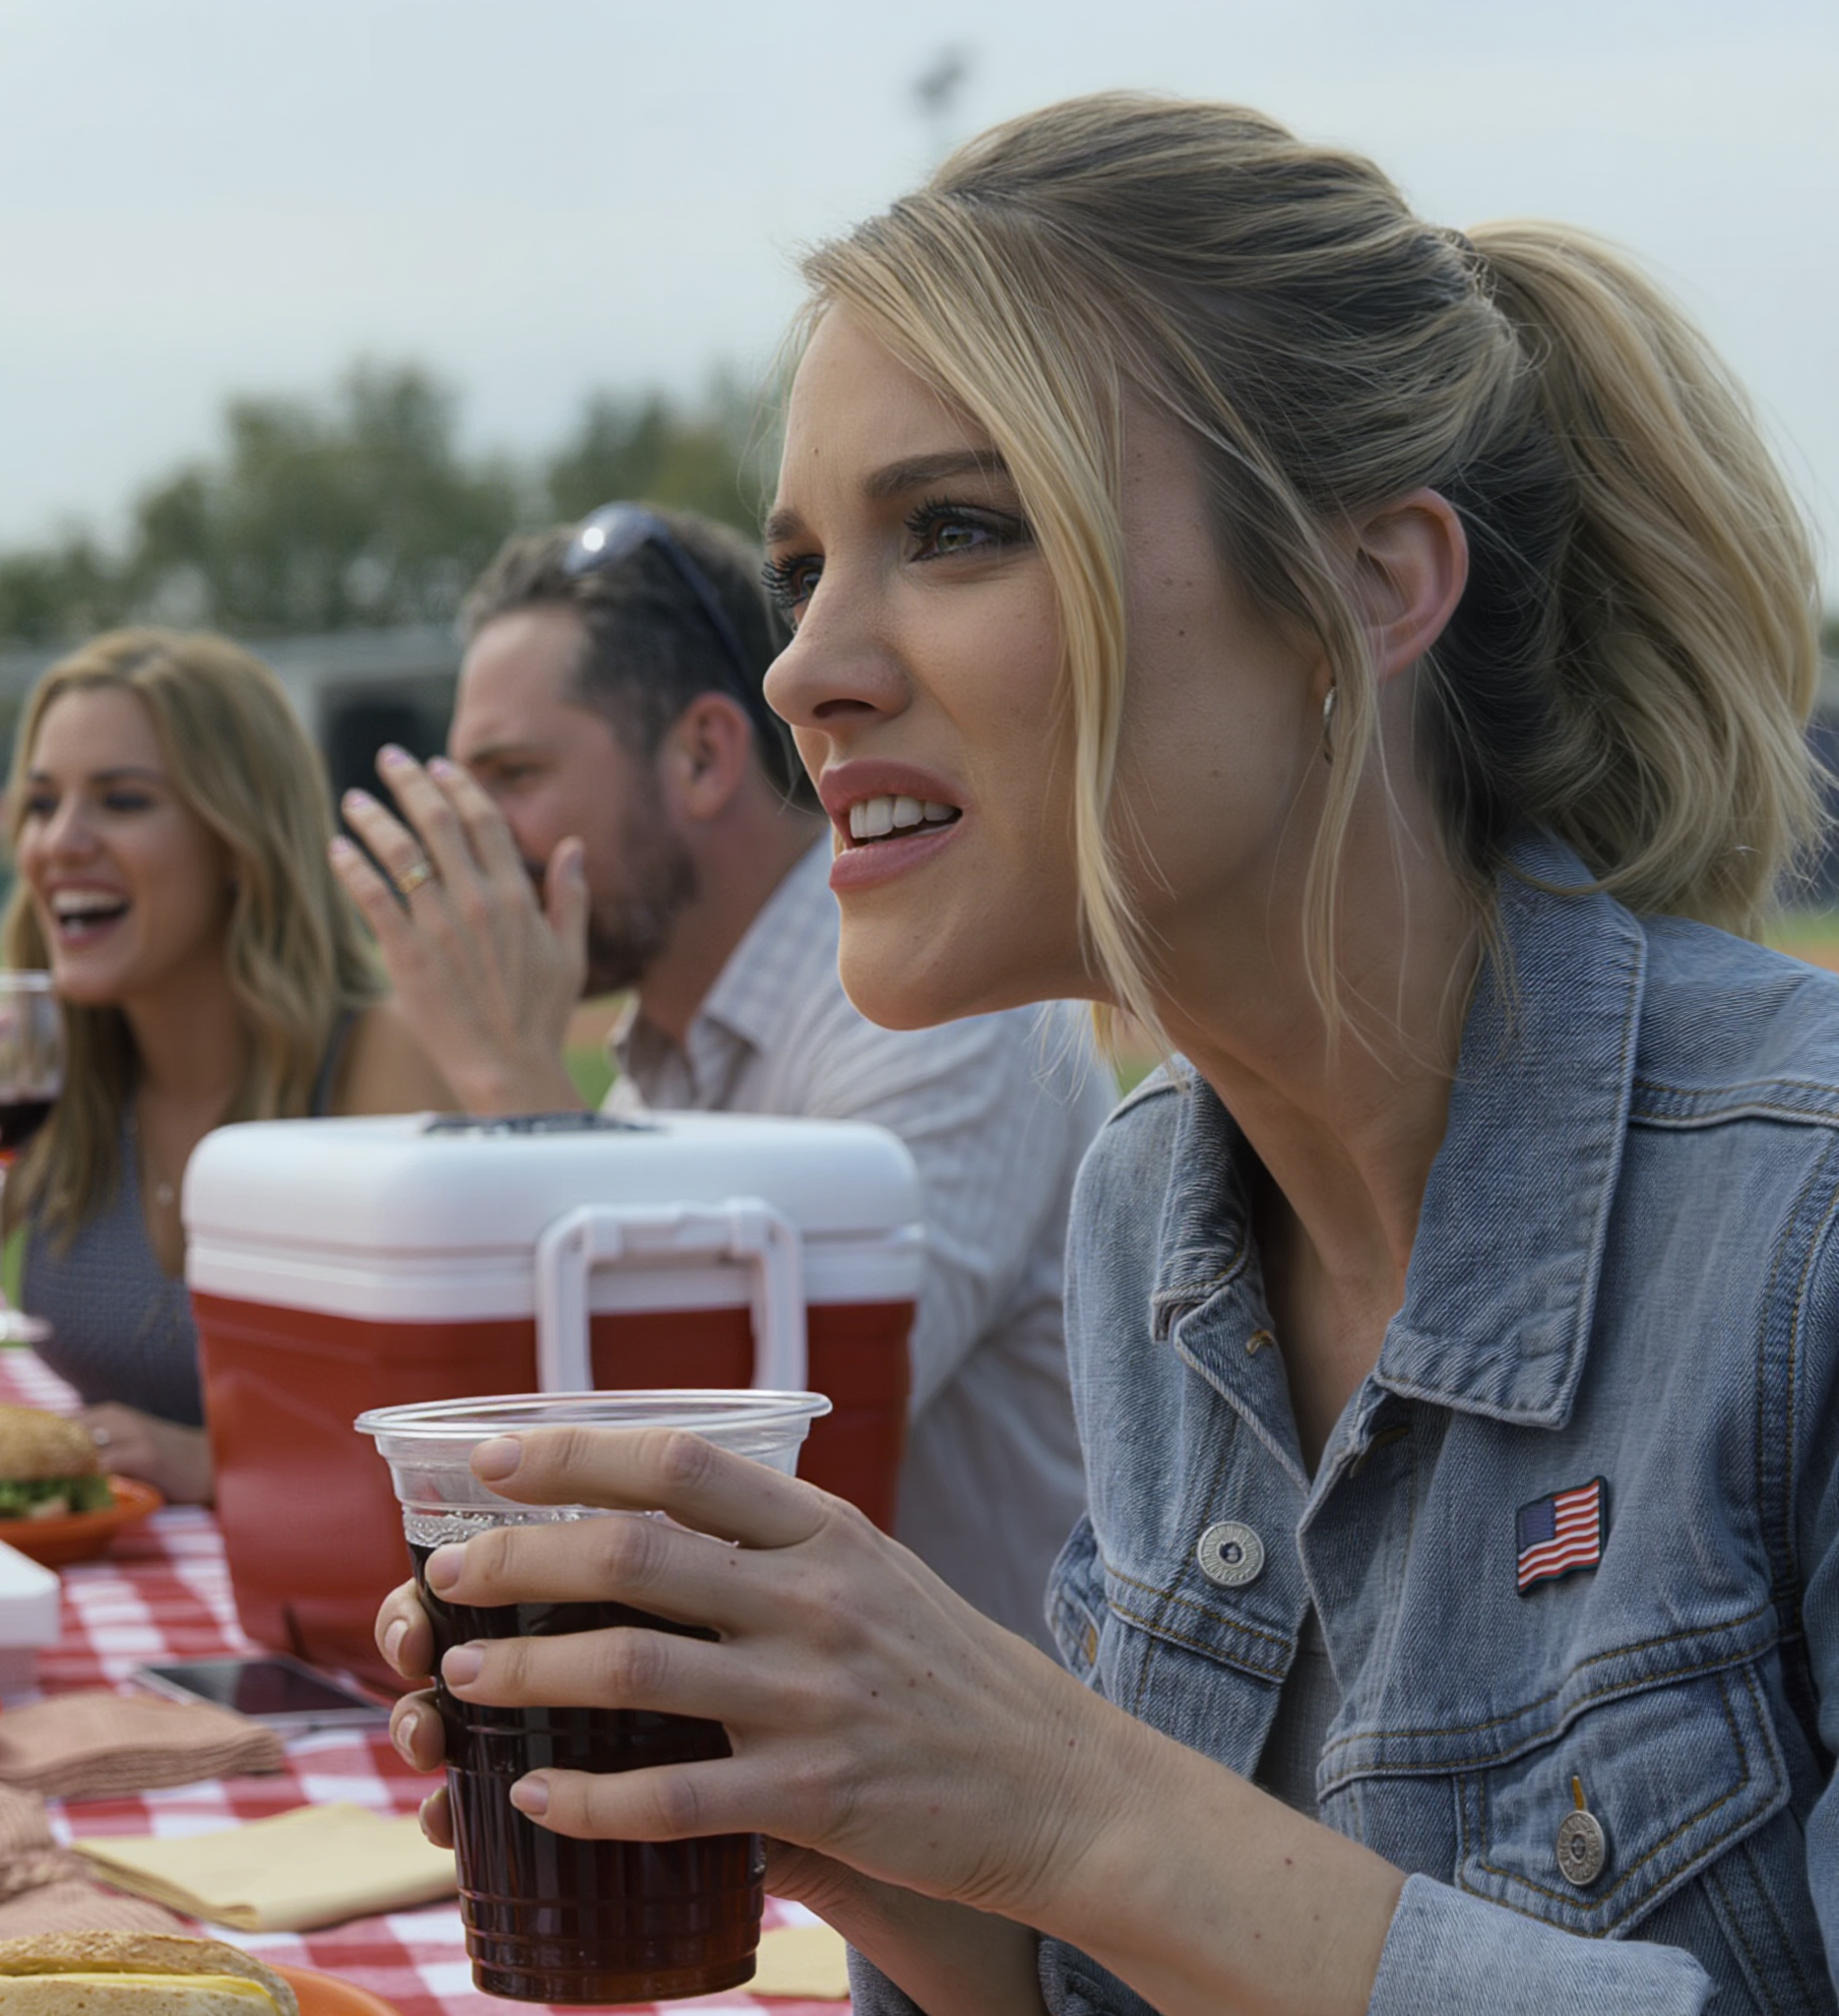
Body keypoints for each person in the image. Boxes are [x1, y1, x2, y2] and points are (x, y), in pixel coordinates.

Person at [373, 93, 1838, 2015]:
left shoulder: (1794, 1225)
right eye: (802, 563)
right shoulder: (1156, 1205)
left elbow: (1130, 1854)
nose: (805, 662)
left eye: (956, 528)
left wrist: (1067, 1797)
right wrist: (861, 1812)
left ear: (1367, 592)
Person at [330, 502, 1114, 1648]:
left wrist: (507, 1073)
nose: (474, 836)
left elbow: (734, 1466)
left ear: (702, 754)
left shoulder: (942, 1009)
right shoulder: (660, 1054)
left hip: (976, 1791)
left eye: (511, 774)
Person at [0, 630, 453, 1503]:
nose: (59, 844)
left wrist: (214, 1462)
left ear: (239, 842)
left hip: (330, 1615)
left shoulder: (373, 1065)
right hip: (100, 1604)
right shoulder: (49, 1073)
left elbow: (464, 1432)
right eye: (41, 805)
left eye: (121, 801)